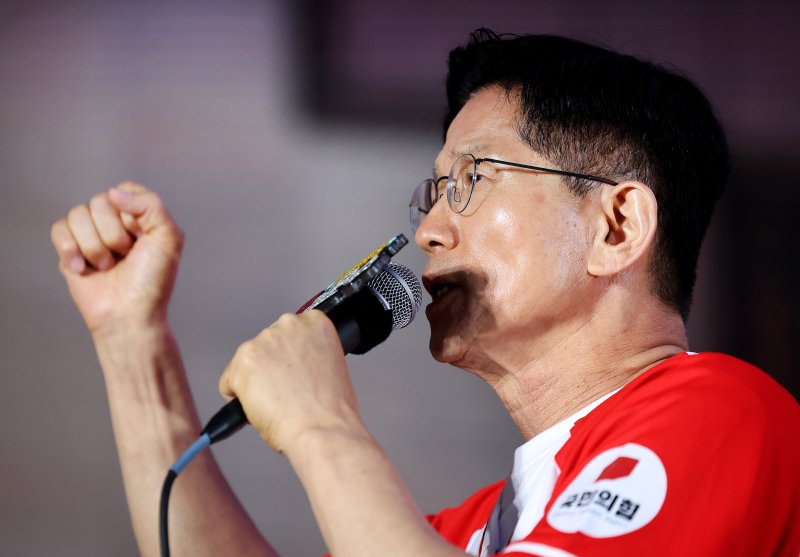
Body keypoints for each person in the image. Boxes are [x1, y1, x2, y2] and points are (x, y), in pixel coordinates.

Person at [50, 29, 799, 557]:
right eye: (434, 192)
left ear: (617, 225)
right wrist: (131, 339)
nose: (431, 231)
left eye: (472, 179)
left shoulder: (724, 411)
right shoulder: (470, 529)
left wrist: (321, 422)